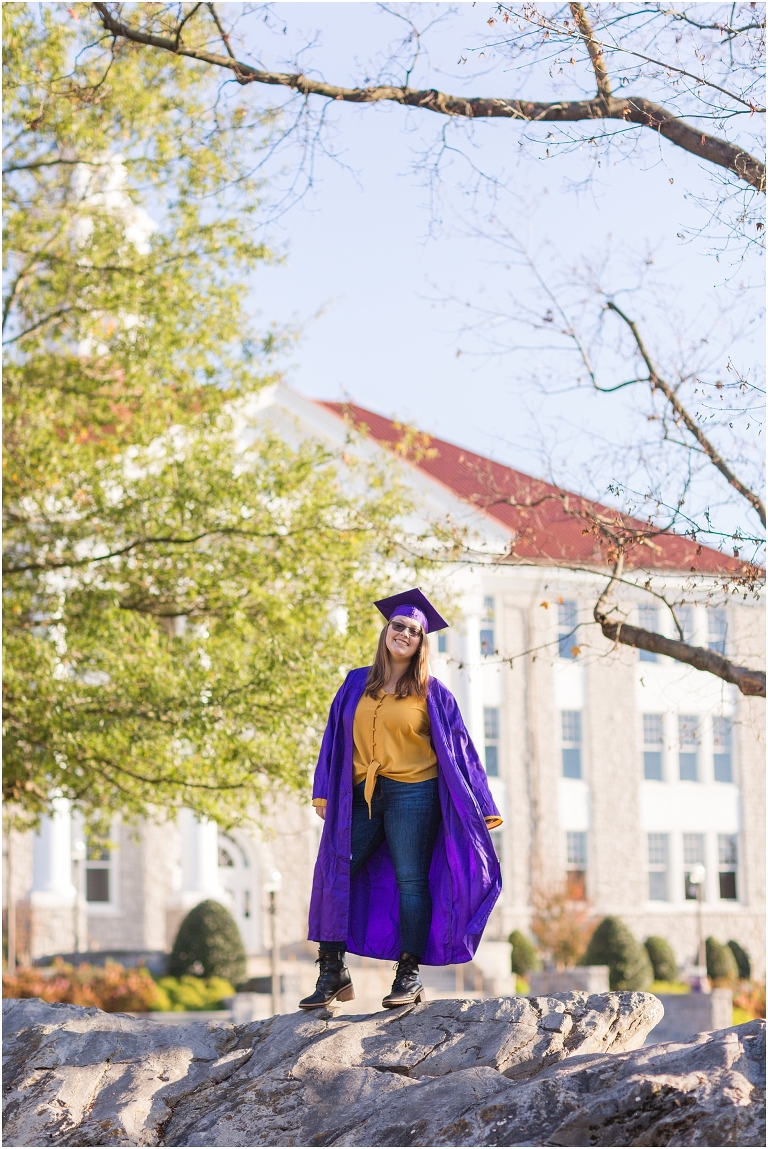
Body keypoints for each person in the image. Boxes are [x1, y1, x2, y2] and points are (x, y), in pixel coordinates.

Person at [299, 588, 503, 1011]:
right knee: (336, 869)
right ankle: (332, 971)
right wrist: (322, 789)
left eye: (414, 631)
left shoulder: (433, 692)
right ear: (386, 630)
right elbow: (334, 737)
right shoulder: (356, 681)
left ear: (422, 642)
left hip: (415, 792)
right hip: (362, 794)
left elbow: (460, 748)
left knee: (412, 881)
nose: (404, 634)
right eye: (398, 626)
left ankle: (407, 976)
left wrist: (482, 804)